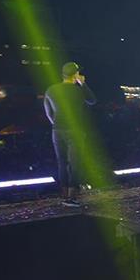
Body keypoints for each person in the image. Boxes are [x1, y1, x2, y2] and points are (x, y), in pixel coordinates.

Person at [43, 61, 97, 207]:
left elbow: (48, 113)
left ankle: (64, 196)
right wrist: (83, 83)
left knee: (62, 162)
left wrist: (56, 124)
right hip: (75, 131)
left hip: (57, 130)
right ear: (76, 74)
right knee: (75, 164)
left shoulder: (51, 90)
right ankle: (72, 198)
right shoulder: (79, 90)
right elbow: (92, 100)